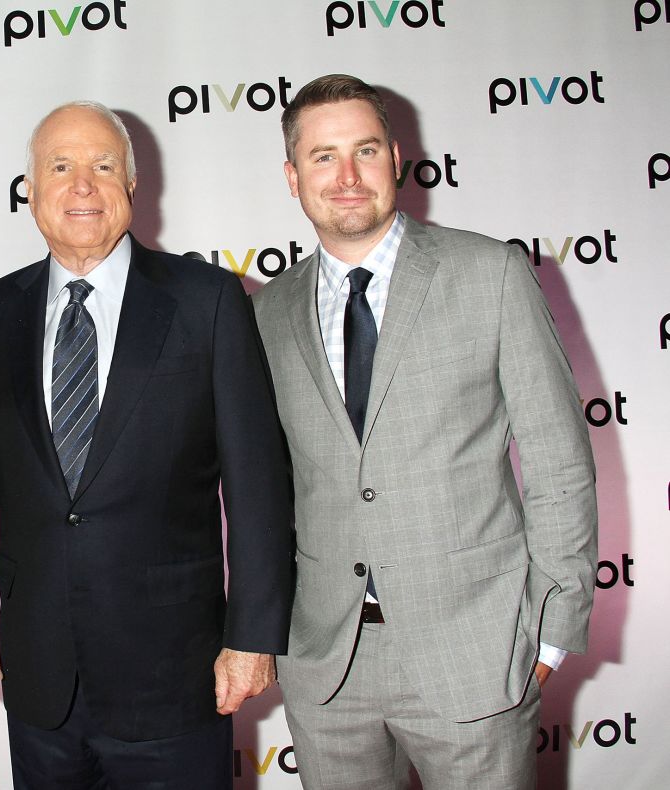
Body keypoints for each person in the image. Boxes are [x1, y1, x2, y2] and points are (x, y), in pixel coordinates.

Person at [0, 101, 292, 788]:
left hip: (175, 678)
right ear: (30, 189)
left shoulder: (207, 300)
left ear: (132, 184)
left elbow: (257, 482)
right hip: (38, 681)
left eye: (102, 166)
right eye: (60, 167)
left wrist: (252, 636)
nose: (81, 185)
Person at [252, 74, 598, 788]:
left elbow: (559, 459)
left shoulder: (490, 274)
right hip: (326, 663)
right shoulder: (266, 312)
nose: (346, 176)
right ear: (292, 176)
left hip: (476, 651)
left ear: (397, 158)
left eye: (365, 151)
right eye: (322, 156)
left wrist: (555, 629)